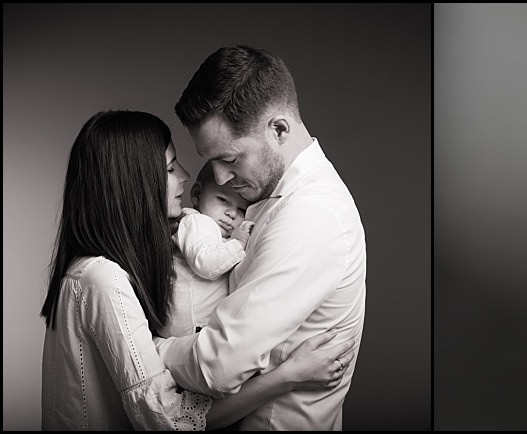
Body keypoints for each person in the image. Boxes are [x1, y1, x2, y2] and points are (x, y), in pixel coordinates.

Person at [40, 110, 356, 430]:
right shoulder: (101, 279)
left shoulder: (93, 271)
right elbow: (169, 421)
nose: (186, 174)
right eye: (169, 167)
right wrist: (288, 377)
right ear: (132, 183)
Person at [154, 45, 368, 430]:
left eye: (231, 159)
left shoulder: (310, 216)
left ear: (280, 129)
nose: (218, 179)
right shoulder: (270, 199)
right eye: (211, 160)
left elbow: (217, 366)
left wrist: (148, 348)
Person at [162, 161, 254, 338]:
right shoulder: (196, 223)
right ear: (197, 194)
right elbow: (206, 264)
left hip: (197, 323)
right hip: (189, 323)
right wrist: (238, 243)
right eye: (223, 200)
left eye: (241, 209)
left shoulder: (216, 234)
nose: (232, 213)